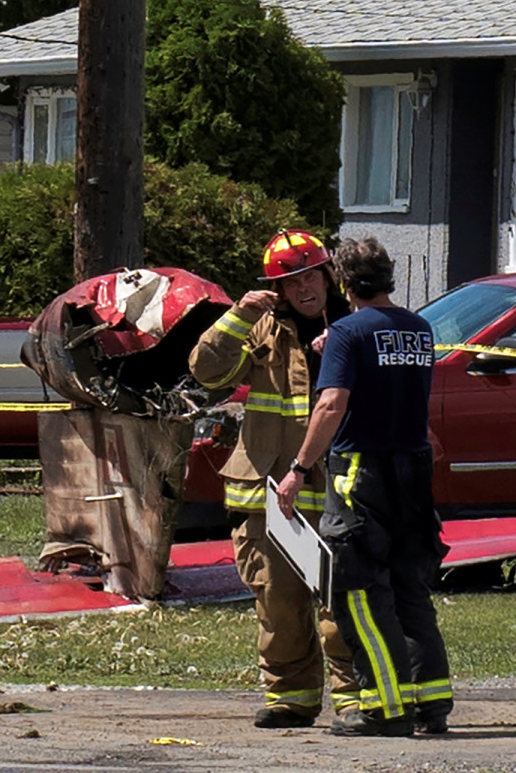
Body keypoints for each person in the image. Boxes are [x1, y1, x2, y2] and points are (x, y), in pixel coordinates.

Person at [275, 236, 454, 737]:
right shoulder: (419, 329)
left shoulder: (349, 333)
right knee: (409, 590)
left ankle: (384, 709)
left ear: (343, 282)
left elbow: (332, 404)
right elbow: (388, 371)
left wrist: (298, 467)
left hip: (361, 473)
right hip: (414, 474)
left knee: (358, 593)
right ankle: (430, 704)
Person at [189, 229, 359, 729]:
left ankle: (354, 698)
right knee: (278, 601)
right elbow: (206, 371)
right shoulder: (260, 327)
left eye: (310, 276)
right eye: (290, 281)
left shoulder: (356, 323)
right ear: (276, 289)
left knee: (340, 601)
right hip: (270, 494)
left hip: (337, 488)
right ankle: (292, 696)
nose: (303, 288)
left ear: (327, 276)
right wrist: (239, 314)